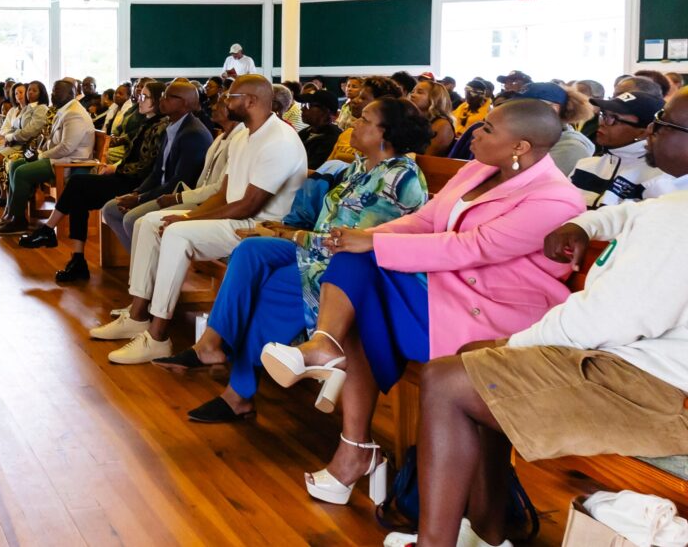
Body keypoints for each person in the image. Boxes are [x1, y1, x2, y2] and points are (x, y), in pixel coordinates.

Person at [258, 99, 583, 507]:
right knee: (356, 278)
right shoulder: (477, 169)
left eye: (488, 129)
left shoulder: (556, 199)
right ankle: (329, 358)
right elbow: (427, 220)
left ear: (520, 147)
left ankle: (344, 417)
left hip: (489, 315)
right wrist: (370, 238)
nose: (474, 133)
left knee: (359, 288)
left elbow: (474, 247)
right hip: (443, 289)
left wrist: (375, 243)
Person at [402, 89, 688, 547]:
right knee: (476, 375)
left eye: (666, 123)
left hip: (653, 391)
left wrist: (508, 345)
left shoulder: (677, 221)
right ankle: (486, 532)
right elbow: (632, 213)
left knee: (451, 378)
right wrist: (586, 225)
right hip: (644, 373)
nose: (652, 130)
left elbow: (603, 321)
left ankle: (440, 540)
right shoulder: (670, 207)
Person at [155, 97, 432, 424]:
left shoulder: (399, 178)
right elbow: (327, 228)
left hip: (352, 271)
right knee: (250, 251)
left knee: (272, 284)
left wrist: (289, 236)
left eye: (364, 120)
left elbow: (351, 245)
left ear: (387, 133)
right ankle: (211, 344)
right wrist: (284, 234)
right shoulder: (360, 166)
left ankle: (238, 394)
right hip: (316, 250)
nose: (353, 123)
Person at [92, 75, 308, 365]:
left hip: (258, 229)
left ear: (251, 101)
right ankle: (138, 315)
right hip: (234, 218)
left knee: (177, 234)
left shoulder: (279, 140)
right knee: (150, 222)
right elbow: (224, 192)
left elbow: (247, 205)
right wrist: (190, 215)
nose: (224, 102)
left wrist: (185, 223)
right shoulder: (243, 134)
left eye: (231, 97)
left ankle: (158, 338)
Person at [23, 83, 212, 285]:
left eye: (146, 97)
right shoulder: (163, 125)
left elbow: (165, 176)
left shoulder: (176, 130)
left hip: (151, 186)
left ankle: (145, 271)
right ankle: (79, 257)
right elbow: (155, 169)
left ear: (182, 103)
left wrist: (136, 193)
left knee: (81, 187)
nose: (139, 99)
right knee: (80, 189)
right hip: (141, 183)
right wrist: (130, 182)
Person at [101, 92, 242, 251]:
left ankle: (150, 266)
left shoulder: (194, 133)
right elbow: (156, 171)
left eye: (168, 96)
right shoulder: (174, 127)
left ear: (184, 103)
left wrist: (143, 199)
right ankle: (143, 263)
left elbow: (186, 181)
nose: (214, 106)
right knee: (111, 210)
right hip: (184, 194)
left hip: (196, 198)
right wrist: (137, 194)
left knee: (135, 220)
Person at [0, 79, 95, 236]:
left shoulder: (75, 114)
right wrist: (39, 151)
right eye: (53, 90)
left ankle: (18, 221)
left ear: (71, 94)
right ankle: (14, 215)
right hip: (57, 158)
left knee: (22, 173)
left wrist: (41, 155)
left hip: (68, 163)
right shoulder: (63, 110)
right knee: (14, 165)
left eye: (57, 91)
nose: (53, 94)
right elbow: (53, 141)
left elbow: (66, 147)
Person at [570, 90, 683, 206]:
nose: (602, 123)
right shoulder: (585, 165)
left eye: (613, 118)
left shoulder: (658, 179)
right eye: (604, 115)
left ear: (643, 132)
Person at [504, 81, 595, 176]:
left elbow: (530, 181)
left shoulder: (571, 147)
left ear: (554, 109)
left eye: (526, 107)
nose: (517, 112)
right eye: (515, 106)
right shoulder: (529, 135)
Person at [327, 76, 404, 163]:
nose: (355, 101)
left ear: (381, 104)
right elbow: (325, 169)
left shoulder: (389, 144)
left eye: (363, 98)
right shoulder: (348, 133)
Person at [296, 90, 344, 168]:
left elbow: (312, 168)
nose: (302, 109)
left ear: (326, 111)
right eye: (303, 105)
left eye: (309, 105)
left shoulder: (333, 138)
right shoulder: (305, 132)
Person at [408, 80, 456, 157]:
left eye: (420, 92)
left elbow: (428, 158)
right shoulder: (413, 120)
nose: (412, 95)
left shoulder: (442, 125)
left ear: (435, 98)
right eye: (412, 91)